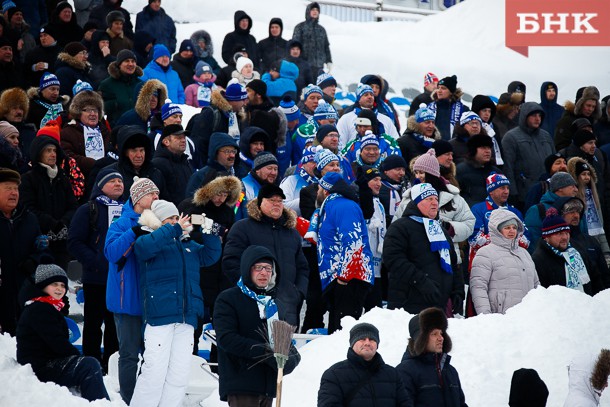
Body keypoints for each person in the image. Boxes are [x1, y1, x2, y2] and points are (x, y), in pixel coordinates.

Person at [129, 199, 221, 407]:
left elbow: (210, 256)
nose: (176, 221)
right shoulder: (145, 237)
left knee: (179, 375)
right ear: (158, 221)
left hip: (186, 316)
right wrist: (173, 228)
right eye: (170, 218)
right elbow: (144, 250)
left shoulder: (187, 244)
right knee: (154, 371)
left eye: (176, 217)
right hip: (160, 313)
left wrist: (211, 232)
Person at [214, 244, 301, 406]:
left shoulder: (276, 305)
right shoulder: (229, 299)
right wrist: (265, 352)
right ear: (247, 269)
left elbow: (283, 341)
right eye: (258, 267)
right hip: (242, 385)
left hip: (269, 387)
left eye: (268, 268)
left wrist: (293, 357)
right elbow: (227, 339)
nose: (264, 273)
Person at [16, 264, 109, 401]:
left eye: (62, 285)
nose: (60, 289)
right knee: (88, 365)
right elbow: (56, 341)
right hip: (40, 366)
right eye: (54, 284)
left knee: (87, 363)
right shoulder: (40, 309)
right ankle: (101, 403)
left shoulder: (45, 306)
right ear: (43, 285)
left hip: (46, 361)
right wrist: (78, 357)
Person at [104, 176, 159, 404]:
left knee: (153, 356)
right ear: (138, 199)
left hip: (153, 300)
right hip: (126, 301)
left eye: (157, 194)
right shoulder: (120, 223)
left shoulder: (160, 222)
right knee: (128, 355)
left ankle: (148, 397)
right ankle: (129, 399)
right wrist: (135, 231)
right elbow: (111, 253)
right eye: (151, 194)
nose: (156, 197)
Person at [223, 184, 309, 326]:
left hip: (287, 305)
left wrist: (298, 292)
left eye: (280, 201)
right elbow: (230, 263)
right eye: (271, 200)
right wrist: (248, 291)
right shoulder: (242, 228)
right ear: (260, 202)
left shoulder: (292, 232)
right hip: (251, 304)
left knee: (284, 346)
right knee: (254, 345)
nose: (277, 204)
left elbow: (303, 267)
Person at [67, 168, 123, 373]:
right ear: (100, 185)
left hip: (119, 278)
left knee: (114, 325)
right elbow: (74, 242)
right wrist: (97, 261)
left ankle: (111, 364)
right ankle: (90, 363)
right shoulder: (88, 209)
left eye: (120, 180)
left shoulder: (126, 210)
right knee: (92, 324)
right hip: (96, 278)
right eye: (112, 181)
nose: (118, 183)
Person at [383, 183, 464, 315]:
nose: (434, 203)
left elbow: (453, 263)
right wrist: (422, 282)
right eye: (429, 199)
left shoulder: (440, 230)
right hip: (408, 304)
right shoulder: (400, 227)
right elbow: (394, 260)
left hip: (439, 304)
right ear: (417, 202)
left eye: (436, 199)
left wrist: (457, 291)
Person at [313, 172, 373, 333]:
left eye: (318, 188)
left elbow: (353, 242)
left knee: (345, 334)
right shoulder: (331, 207)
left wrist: (343, 278)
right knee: (336, 333)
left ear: (325, 191)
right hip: (340, 278)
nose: (316, 192)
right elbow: (327, 239)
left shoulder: (343, 206)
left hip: (349, 280)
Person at [0, 168, 48, 336]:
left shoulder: (28, 218)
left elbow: (40, 251)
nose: (14, 193)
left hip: (23, 289)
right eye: (8, 188)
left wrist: (33, 260)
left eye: (16, 189)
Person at [20, 134, 78, 270]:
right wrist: (53, 224)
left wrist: (64, 223)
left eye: (54, 150)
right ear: (38, 153)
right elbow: (28, 208)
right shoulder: (28, 179)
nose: (53, 154)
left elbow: (73, 205)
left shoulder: (63, 177)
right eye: (48, 150)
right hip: (37, 242)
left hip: (63, 242)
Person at [318, 322, 409, 406]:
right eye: (362, 339)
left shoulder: (392, 374)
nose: (367, 343)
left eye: (372, 339)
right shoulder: (334, 375)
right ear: (352, 343)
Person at [470, 209, 539, 314]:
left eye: (514, 227)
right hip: (501, 318)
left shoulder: (524, 253)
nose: (512, 231)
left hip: (528, 316)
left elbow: (536, 285)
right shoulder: (485, 253)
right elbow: (478, 287)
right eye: (507, 228)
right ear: (497, 230)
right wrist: (485, 316)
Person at [396, 307, 467, 407]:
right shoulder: (404, 372)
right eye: (434, 334)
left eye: (441, 333)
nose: (441, 338)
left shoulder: (451, 371)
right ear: (420, 338)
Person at [532, 208, 603, 295]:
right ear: (547, 237)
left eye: (566, 233)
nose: (565, 237)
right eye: (559, 234)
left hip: (587, 304)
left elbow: (596, 278)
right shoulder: (539, 260)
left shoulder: (577, 251)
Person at [502, 102, 555, 210]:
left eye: (539, 116)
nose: (537, 119)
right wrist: (512, 192)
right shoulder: (511, 137)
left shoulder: (546, 136)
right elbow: (508, 167)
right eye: (533, 115)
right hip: (524, 194)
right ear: (525, 116)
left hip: (549, 192)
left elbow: (555, 161)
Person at [59, 89, 110, 179]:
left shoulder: (105, 131)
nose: (93, 114)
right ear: (78, 112)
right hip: (80, 179)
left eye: (95, 110)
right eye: (88, 110)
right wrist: (94, 164)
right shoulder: (68, 132)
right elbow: (68, 156)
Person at [98, 49, 144, 127]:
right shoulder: (107, 84)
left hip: (139, 129)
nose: (130, 64)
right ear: (119, 64)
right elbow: (101, 109)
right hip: (117, 129)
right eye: (127, 61)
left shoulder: (141, 84)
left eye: (133, 61)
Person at [151, 123, 193, 206]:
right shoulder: (157, 164)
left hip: (186, 214)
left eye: (184, 137)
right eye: (178, 137)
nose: (183, 140)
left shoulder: (186, 163)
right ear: (166, 142)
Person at [292, 1, 332, 76]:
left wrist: (329, 61)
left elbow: (326, 47)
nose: (315, 12)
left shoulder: (322, 30)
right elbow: (294, 46)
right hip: (304, 65)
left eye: (317, 10)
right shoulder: (300, 27)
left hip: (319, 67)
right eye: (313, 10)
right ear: (308, 11)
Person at [555, 86, 601, 150]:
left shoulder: (594, 122)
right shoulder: (566, 121)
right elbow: (561, 145)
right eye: (588, 105)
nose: (590, 109)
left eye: (593, 106)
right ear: (580, 104)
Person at [426, 75, 468, 141]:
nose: (439, 91)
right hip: (431, 146)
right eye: (438, 88)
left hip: (454, 148)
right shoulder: (429, 108)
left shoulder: (463, 110)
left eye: (443, 88)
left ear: (451, 92)